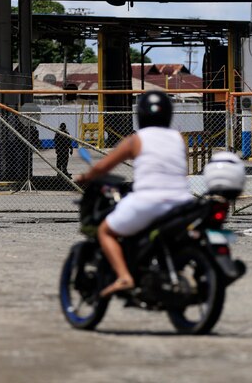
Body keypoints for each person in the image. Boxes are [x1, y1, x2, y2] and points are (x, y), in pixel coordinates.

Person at [75, 91, 193, 298]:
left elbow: (104, 166)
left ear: (141, 114)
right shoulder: (178, 139)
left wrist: (86, 176)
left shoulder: (136, 140)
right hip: (183, 201)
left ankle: (124, 277)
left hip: (149, 201)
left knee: (105, 231)